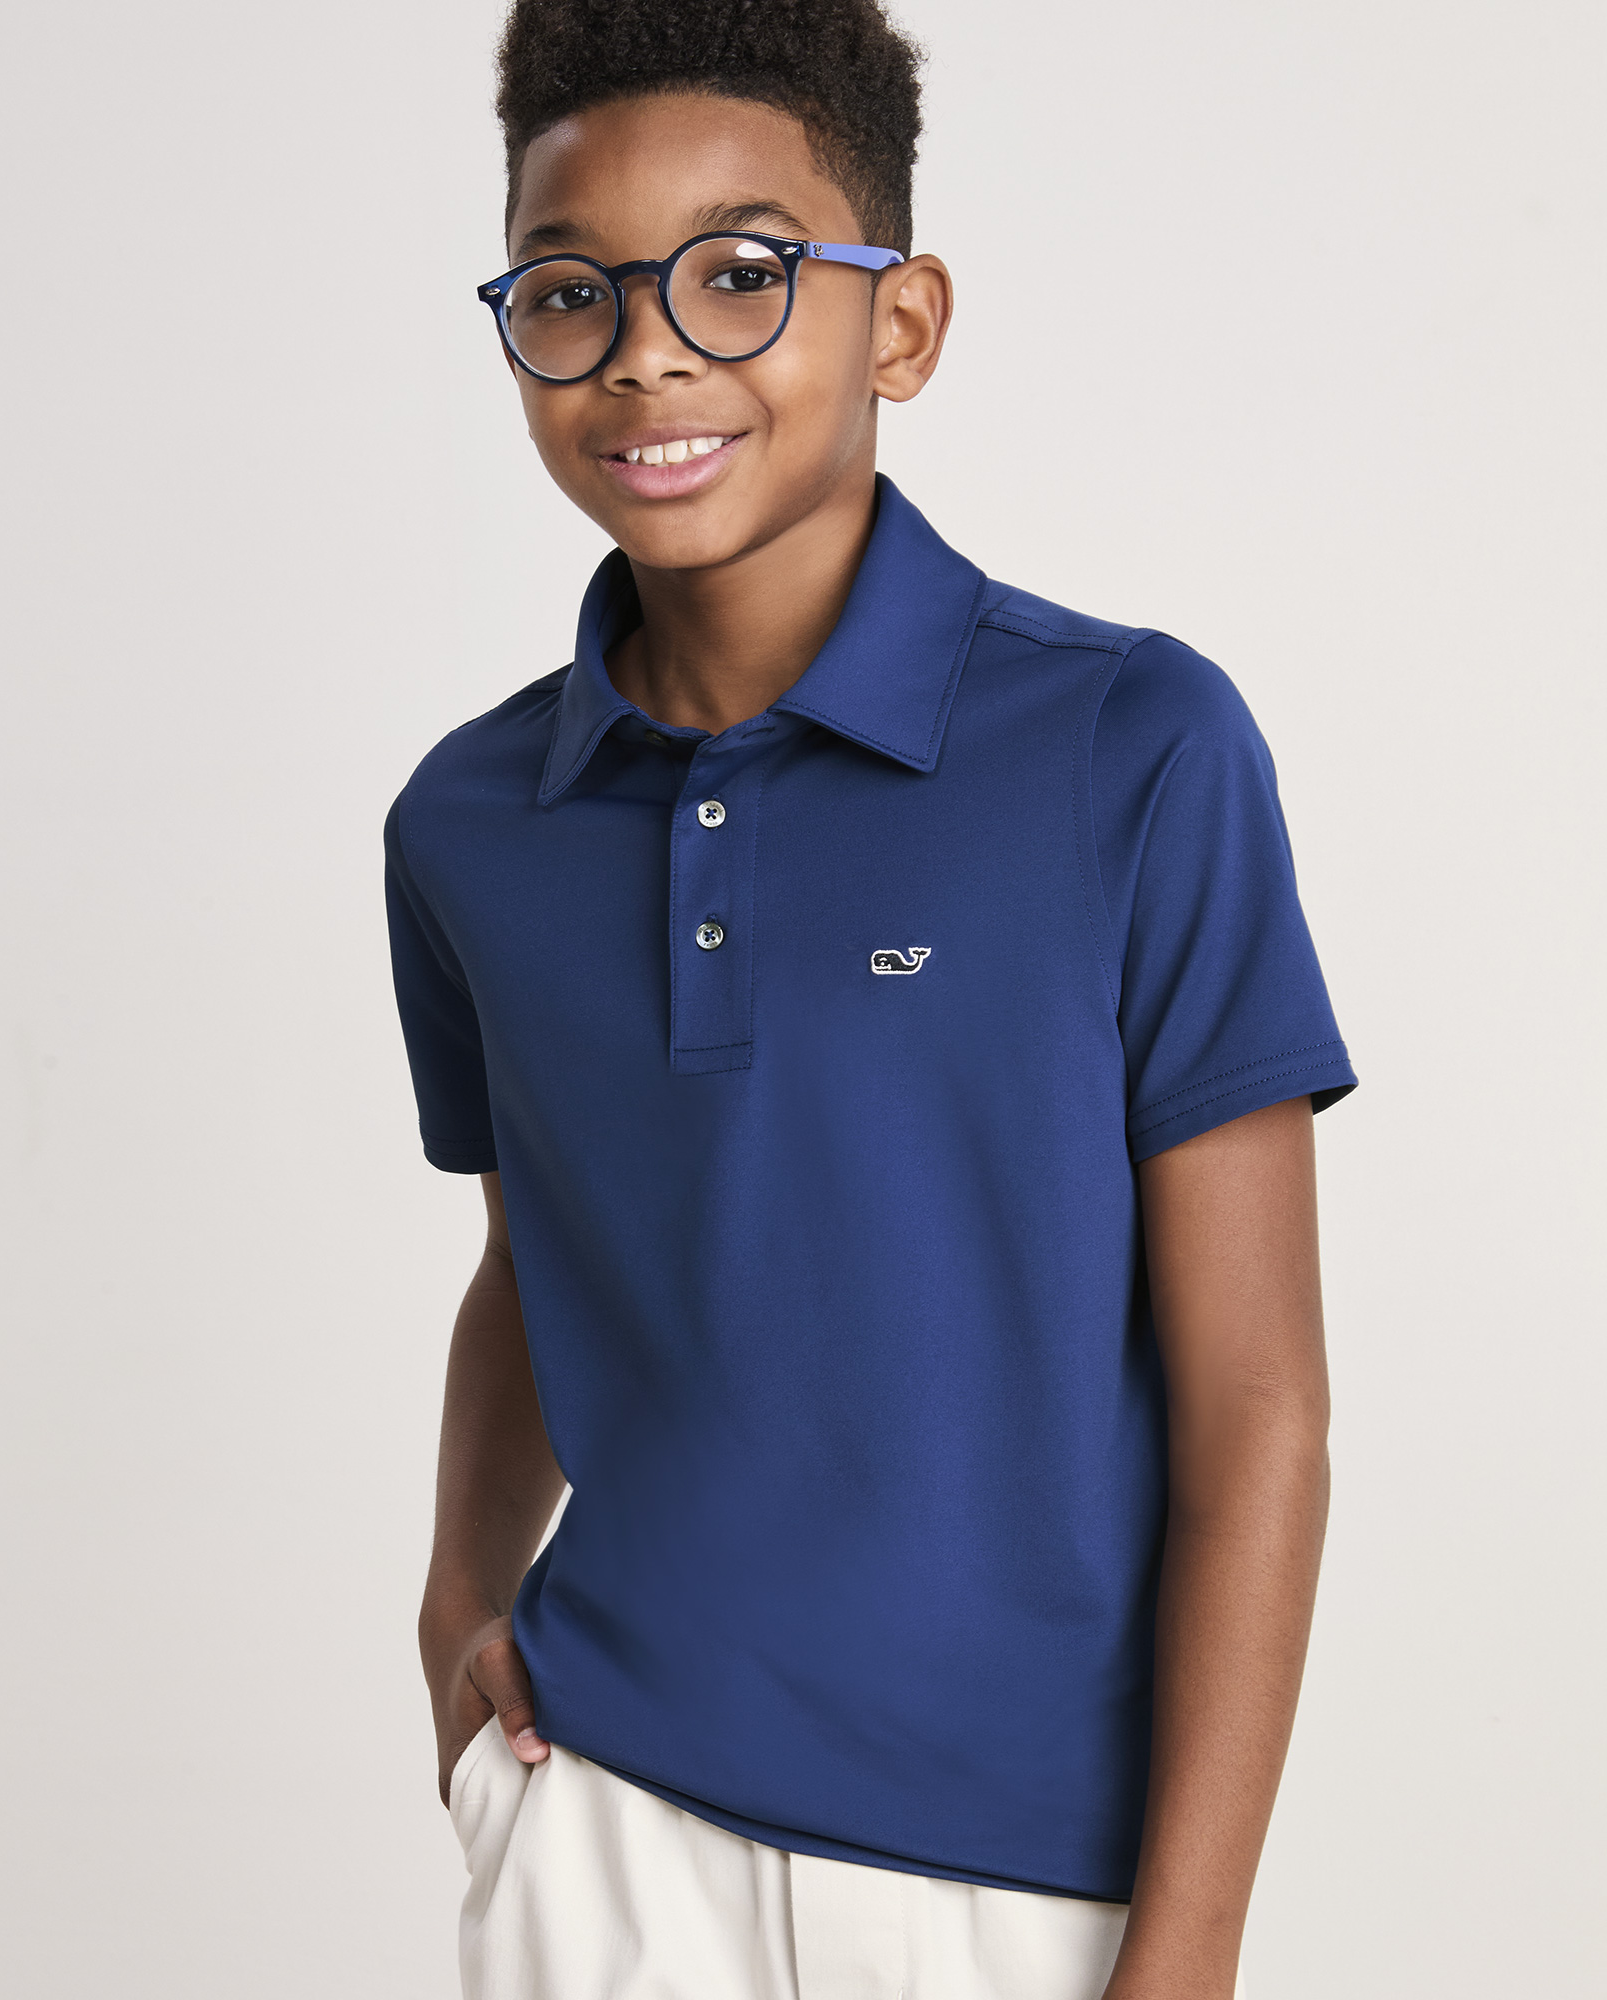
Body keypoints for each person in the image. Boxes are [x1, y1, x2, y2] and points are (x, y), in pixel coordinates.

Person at [383, 3, 1357, 1995]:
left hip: (1022, 1873)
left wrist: (1187, 1950)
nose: (648, 351)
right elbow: (536, 1260)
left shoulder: (1131, 747)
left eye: (740, 274)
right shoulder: (468, 822)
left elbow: (1261, 1406)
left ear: (901, 323)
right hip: (609, 1825)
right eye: (570, 292)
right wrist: (458, 1595)